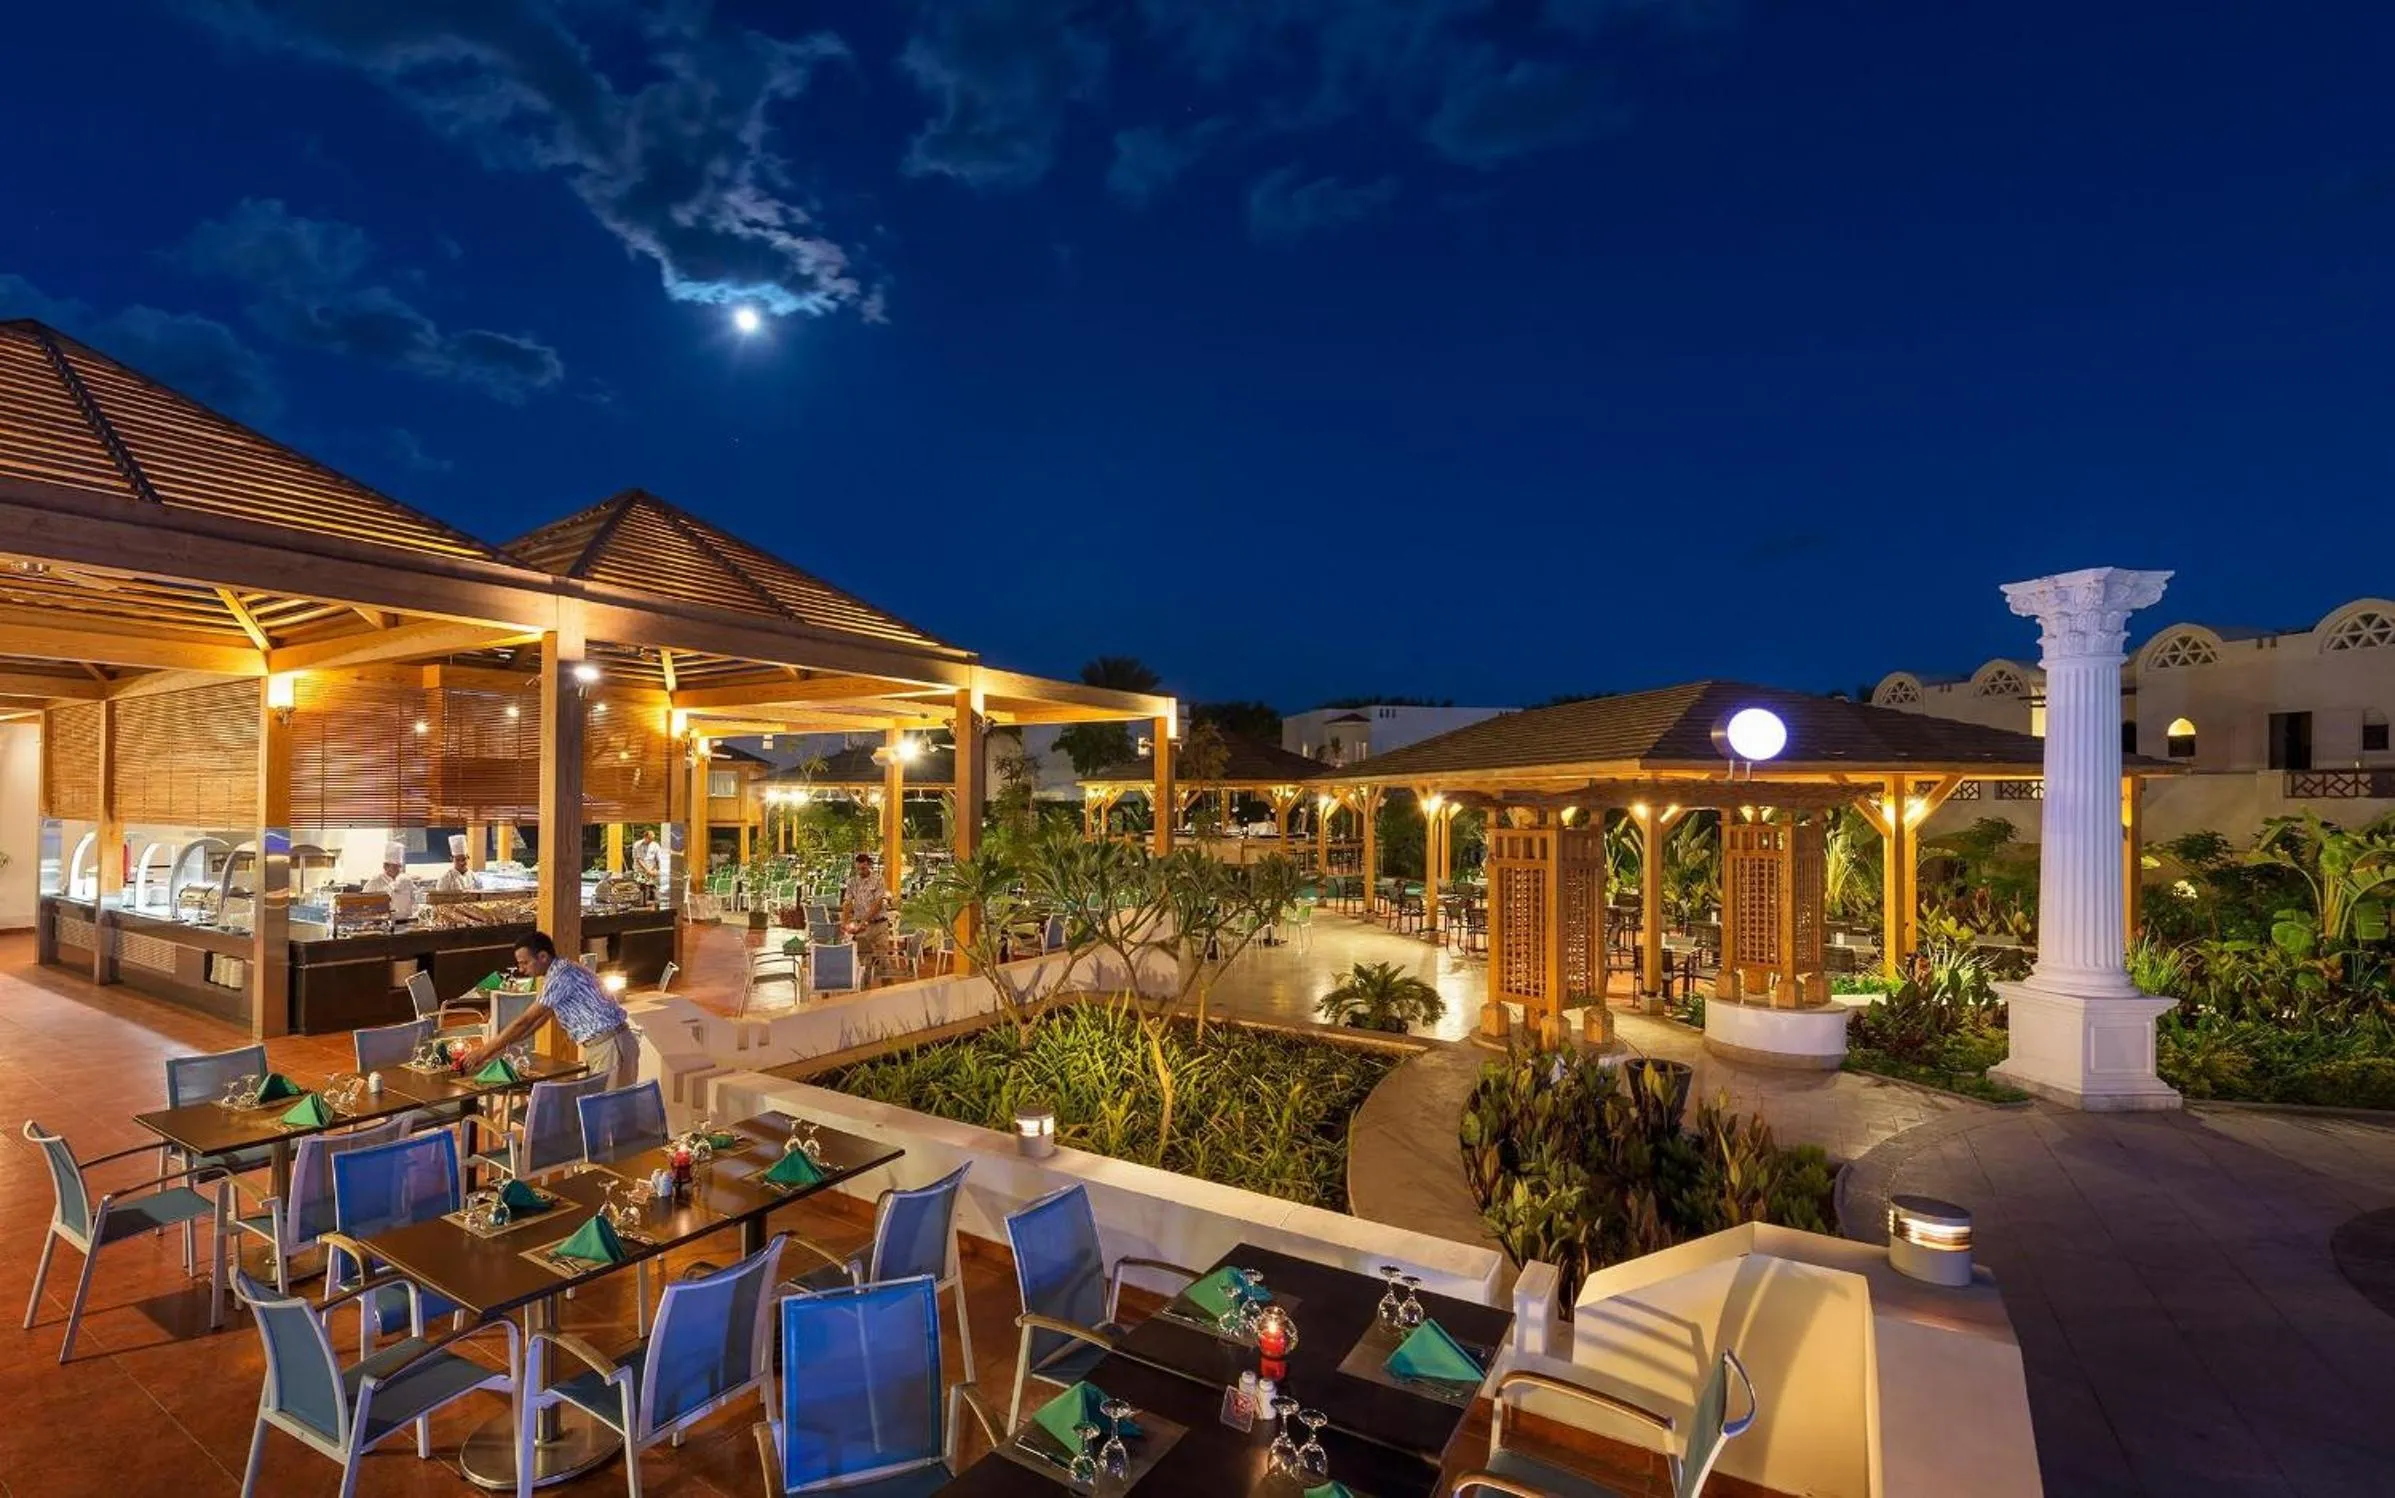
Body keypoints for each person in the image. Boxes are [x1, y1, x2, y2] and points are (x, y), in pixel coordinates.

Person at [460, 931, 637, 1089]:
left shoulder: (561, 974)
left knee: (610, 1114)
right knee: (602, 1112)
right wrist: (502, 1047)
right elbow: (540, 1019)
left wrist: (483, 1052)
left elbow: (525, 1020)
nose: (521, 970)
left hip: (610, 1045)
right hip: (605, 1045)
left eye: (524, 963)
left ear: (543, 956)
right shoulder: (558, 972)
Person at [840, 850, 895, 982]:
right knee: (864, 960)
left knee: (882, 959)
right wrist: (844, 921)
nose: (860, 871)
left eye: (863, 868)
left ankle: (887, 988)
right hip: (862, 928)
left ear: (869, 865)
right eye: (858, 868)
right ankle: (865, 989)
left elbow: (877, 904)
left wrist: (864, 921)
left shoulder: (878, 880)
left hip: (879, 925)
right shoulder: (852, 882)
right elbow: (847, 902)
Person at [362, 839, 420, 921]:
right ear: (385, 866)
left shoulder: (406, 881)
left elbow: (417, 899)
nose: (398, 869)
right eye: (395, 866)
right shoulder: (374, 882)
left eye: (399, 866)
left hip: (407, 923)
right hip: (384, 925)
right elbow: (363, 905)